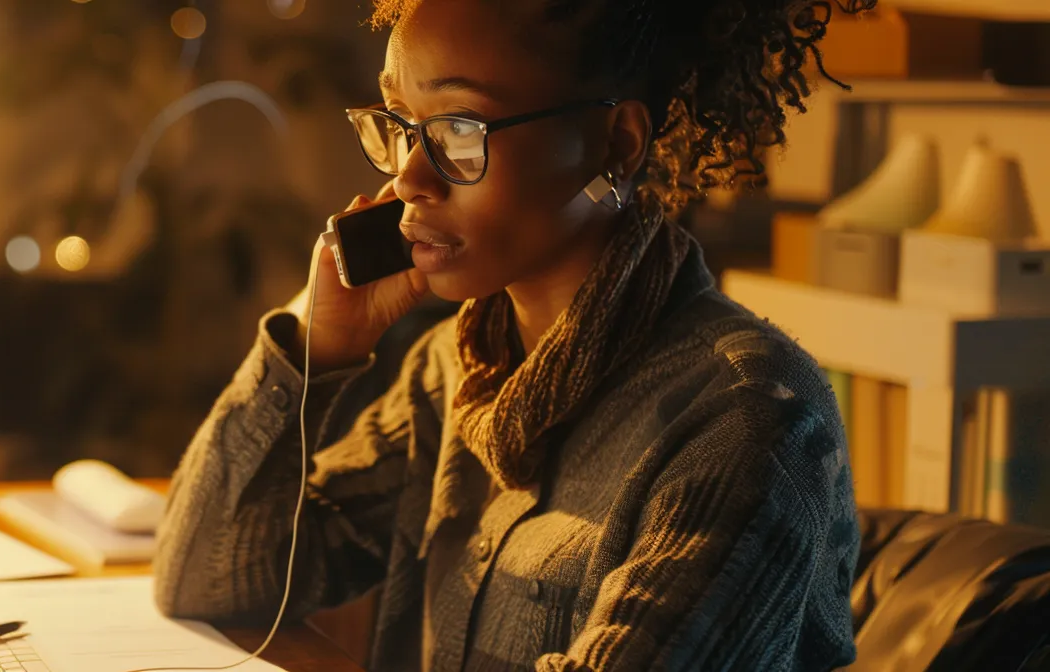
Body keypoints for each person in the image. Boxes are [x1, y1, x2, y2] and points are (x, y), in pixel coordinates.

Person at [153, 0, 872, 670]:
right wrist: (312, 348)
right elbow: (205, 578)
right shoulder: (457, 371)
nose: (409, 179)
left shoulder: (744, 424)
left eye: (459, 130)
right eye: (401, 123)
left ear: (614, 144)